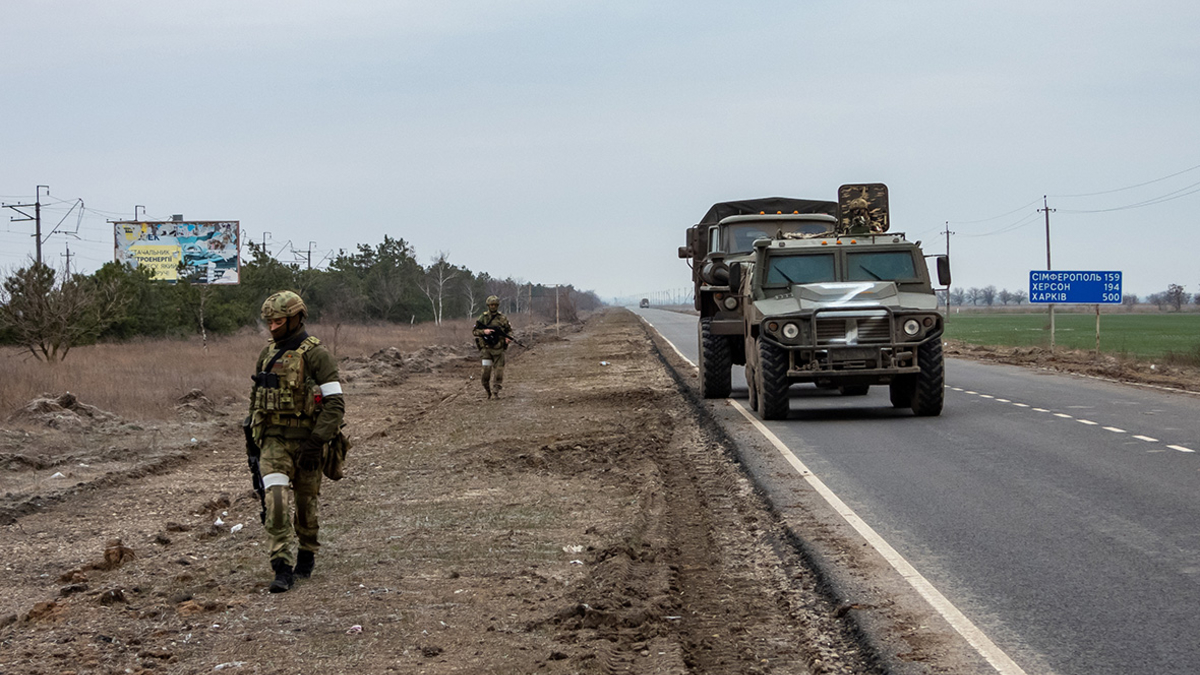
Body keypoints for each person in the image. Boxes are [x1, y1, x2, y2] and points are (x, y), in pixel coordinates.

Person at [247, 290, 345, 593]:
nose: (272, 327)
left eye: (278, 321)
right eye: (269, 322)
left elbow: (335, 404)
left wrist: (316, 443)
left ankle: (307, 552)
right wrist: (253, 435)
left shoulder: (317, 355)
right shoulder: (267, 354)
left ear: (296, 318)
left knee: (306, 506)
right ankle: (282, 566)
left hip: (308, 443)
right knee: (275, 501)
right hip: (274, 441)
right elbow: (257, 400)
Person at [472, 295, 512, 399]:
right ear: (488, 305)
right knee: (486, 372)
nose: (493, 307)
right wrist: (484, 331)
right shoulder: (483, 318)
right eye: (491, 305)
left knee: (499, 372)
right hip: (486, 349)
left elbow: (509, 330)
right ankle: (487, 391)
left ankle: (496, 391)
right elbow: (474, 331)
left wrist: (508, 338)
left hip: (499, 349)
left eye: (495, 305)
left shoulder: (502, 318)